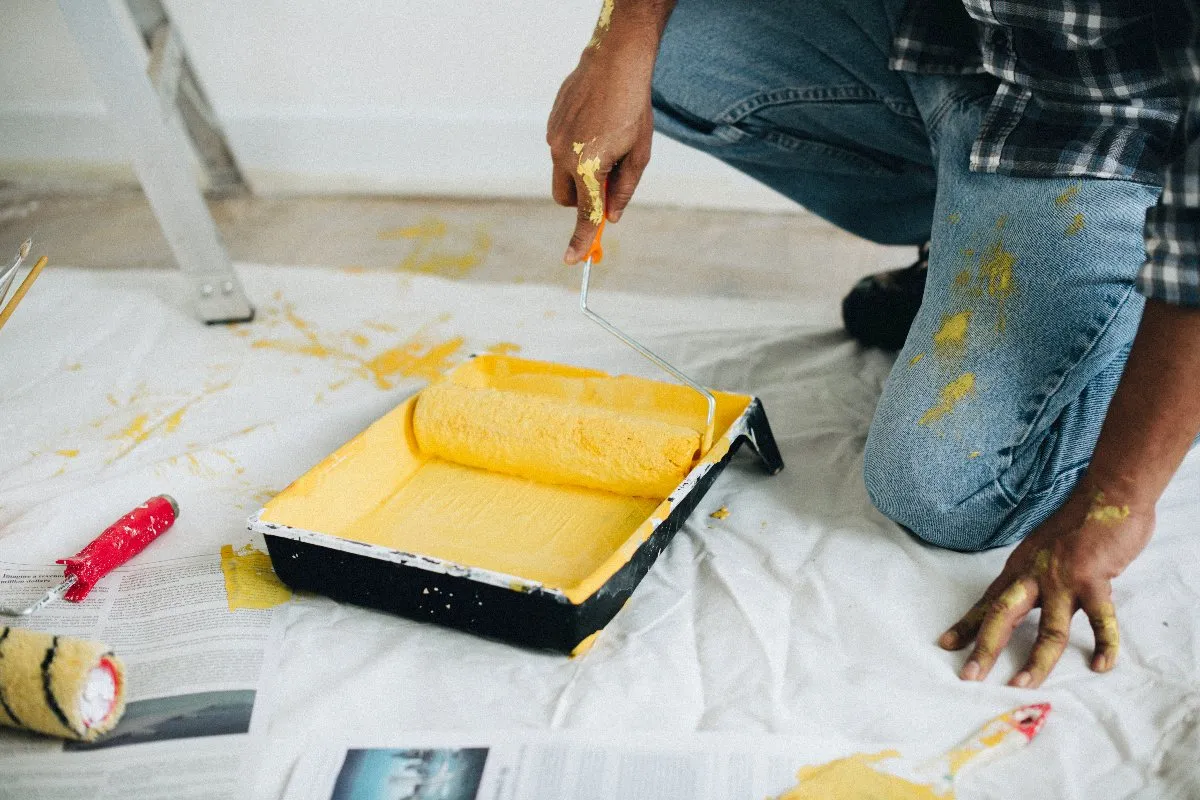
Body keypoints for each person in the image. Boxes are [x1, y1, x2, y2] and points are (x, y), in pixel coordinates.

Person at [546, 0, 1200, 689]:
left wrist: (1117, 498)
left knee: (946, 491)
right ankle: (969, 240)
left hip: (1120, 124)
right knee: (673, 51)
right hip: (954, 50)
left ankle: (1128, 294)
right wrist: (614, 47)